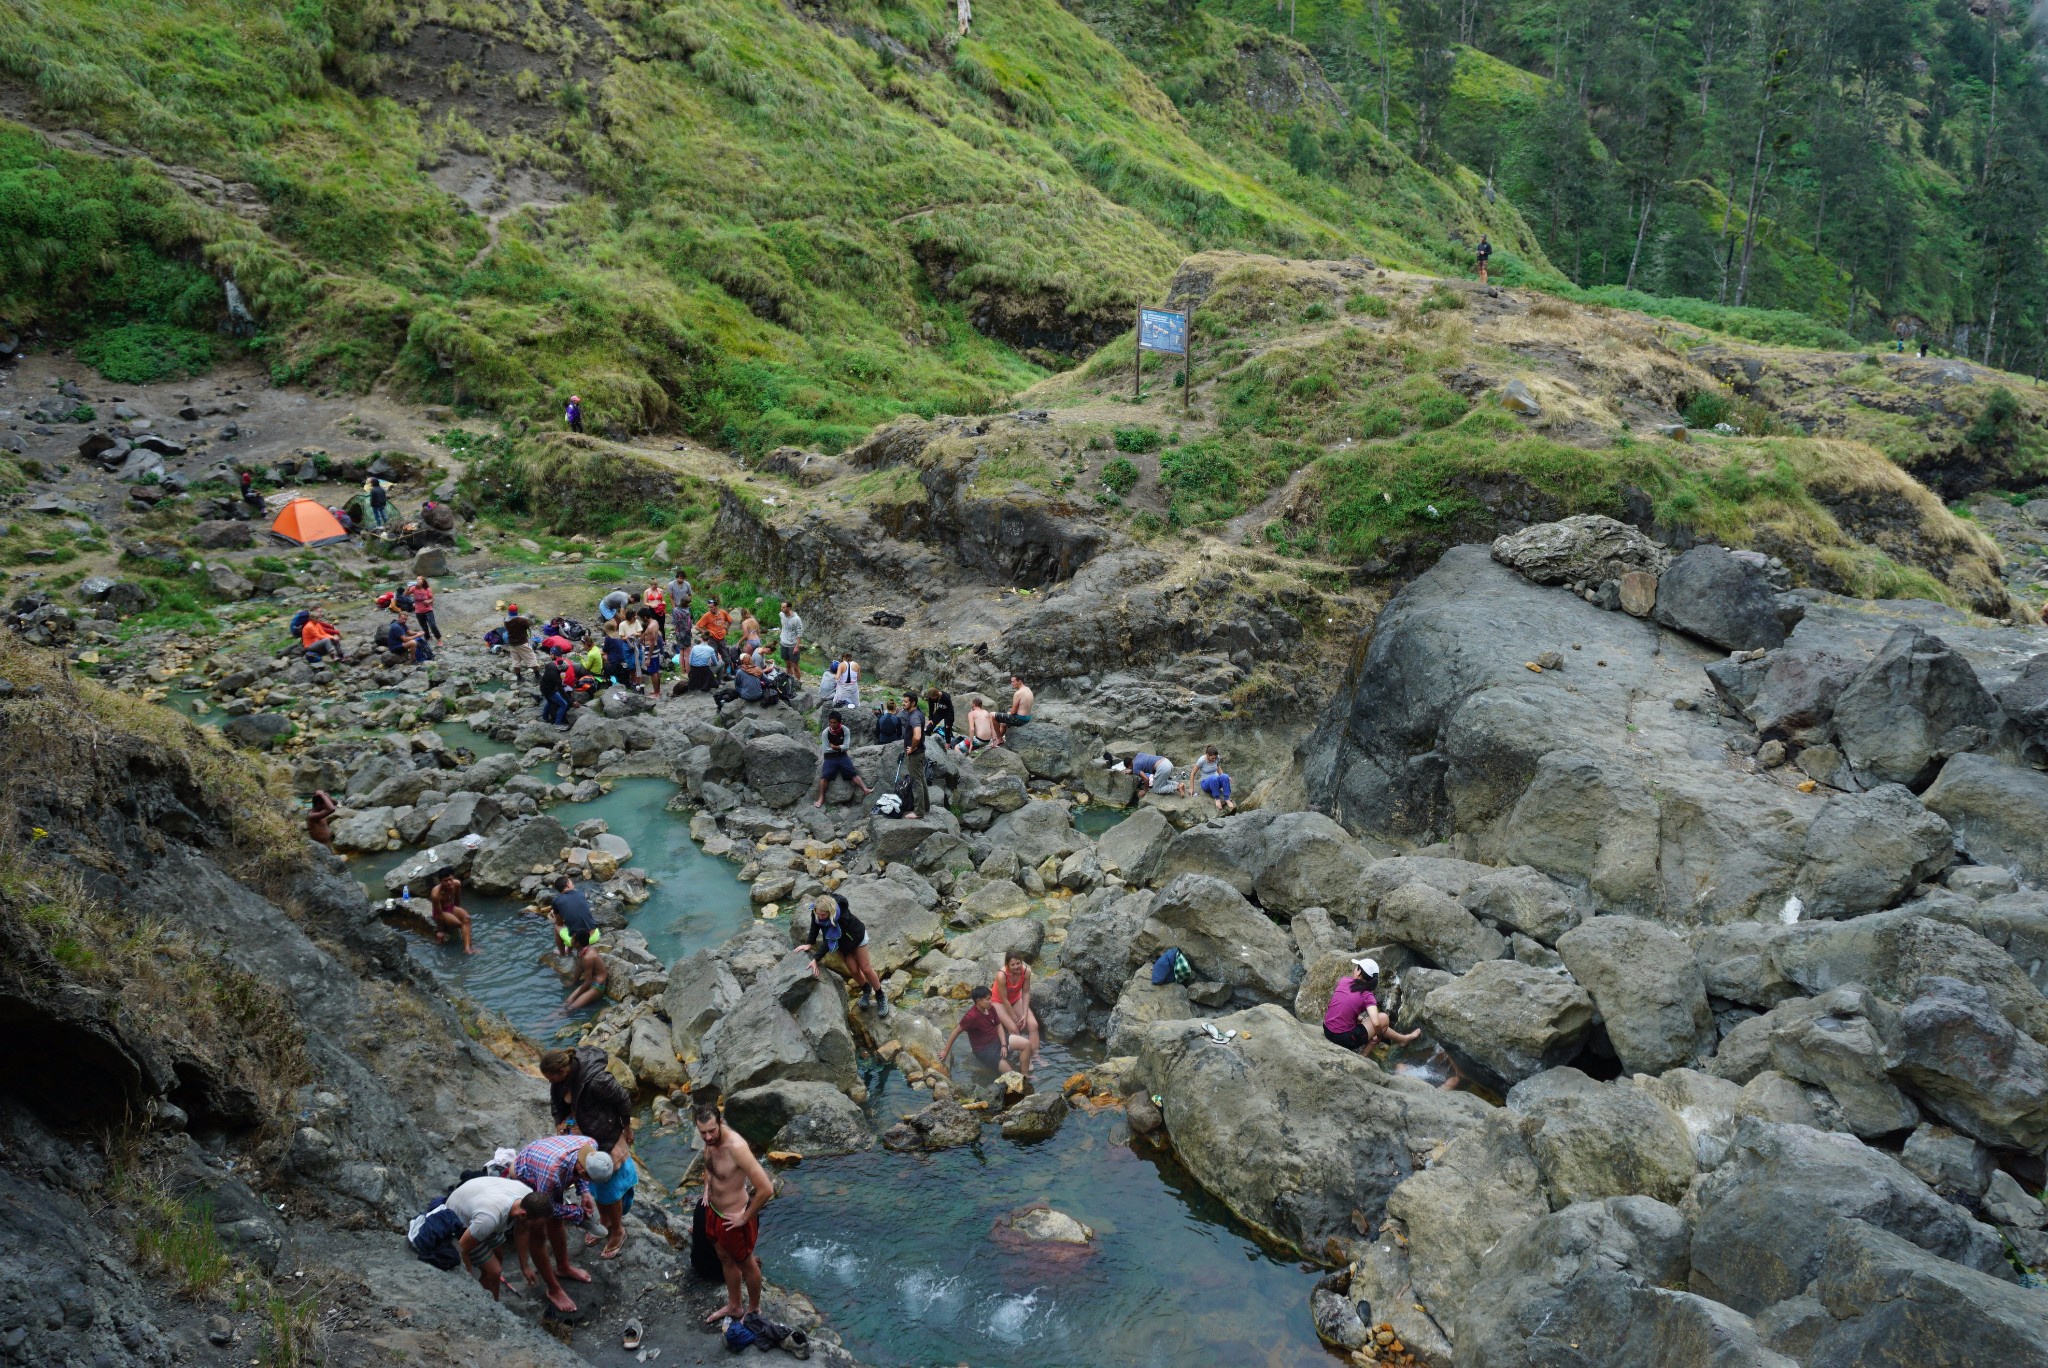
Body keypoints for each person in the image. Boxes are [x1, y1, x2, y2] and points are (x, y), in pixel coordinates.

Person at [695, 1098, 776, 1325]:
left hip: (735, 1217)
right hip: (714, 1211)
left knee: (746, 1264)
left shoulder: (736, 1147)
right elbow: (709, 1167)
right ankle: (734, 1305)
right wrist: (707, 1188)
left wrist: (745, 1217)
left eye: (712, 1131)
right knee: (724, 1258)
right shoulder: (709, 1141)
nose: (708, 1137)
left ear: (720, 1123)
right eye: (703, 1133)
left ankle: (753, 1309)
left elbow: (766, 1189)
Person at [512, 1134, 610, 1312]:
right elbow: (545, 1207)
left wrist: (585, 1192)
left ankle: (563, 1267)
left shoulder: (591, 1146)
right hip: (526, 1171)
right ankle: (553, 1289)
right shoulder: (552, 1175)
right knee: (538, 1231)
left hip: (548, 1163)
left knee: (557, 1223)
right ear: (582, 1169)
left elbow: (579, 1173)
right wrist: (575, 1213)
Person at [443, 1175, 549, 1303]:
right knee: (494, 1271)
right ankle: (486, 1304)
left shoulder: (528, 1198)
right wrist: (468, 1282)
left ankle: (494, 1298)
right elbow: (462, 1249)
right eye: (535, 1225)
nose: (536, 1229)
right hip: (459, 1221)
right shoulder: (489, 1219)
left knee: (498, 1257)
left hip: (479, 1204)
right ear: (522, 1215)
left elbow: (522, 1231)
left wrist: (524, 1266)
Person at [803, 893, 887, 1015]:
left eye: (823, 915)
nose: (820, 917)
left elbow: (828, 940)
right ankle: (866, 990)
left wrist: (816, 959)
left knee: (866, 969)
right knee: (853, 970)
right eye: (818, 914)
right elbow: (815, 926)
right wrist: (810, 943)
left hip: (856, 937)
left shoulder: (840, 915)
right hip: (841, 943)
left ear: (830, 911)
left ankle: (880, 996)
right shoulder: (817, 911)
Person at [1323, 958, 1416, 1055]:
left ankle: (1403, 1039)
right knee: (1383, 1018)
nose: (1354, 969)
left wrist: (1362, 1020)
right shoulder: (1367, 996)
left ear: (1359, 972)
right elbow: (1376, 1023)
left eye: (1356, 968)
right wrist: (1378, 1035)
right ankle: (1364, 1056)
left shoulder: (1344, 981)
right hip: (1343, 1039)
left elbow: (1340, 1007)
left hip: (1327, 1029)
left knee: (1376, 1023)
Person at [943, 986, 1028, 1075]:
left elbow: (998, 1026)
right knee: (1011, 1074)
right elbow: (956, 1032)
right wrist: (945, 1051)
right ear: (979, 1001)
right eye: (988, 999)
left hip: (997, 1040)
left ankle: (1025, 1074)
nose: (990, 1001)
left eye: (990, 998)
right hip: (984, 1050)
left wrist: (1003, 1045)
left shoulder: (991, 1008)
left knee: (1026, 1044)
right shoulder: (971, 1017)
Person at [990, 950, 1040, 1074]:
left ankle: (1036, 1056)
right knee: (1014, 1028)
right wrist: (1016, 1018)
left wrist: (1024, 1014)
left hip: (1016, 999)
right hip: (999, 1001)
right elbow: (1004, 999)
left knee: (1033, 1024)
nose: (1016, 966)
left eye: (1018, 963)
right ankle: (1026, 1058)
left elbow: (1026, 993)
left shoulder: (1026, 971)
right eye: (1013, 965)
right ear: (1007, 965)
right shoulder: (1002, 975)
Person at [814, 710, 873, 807]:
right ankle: (821, 798)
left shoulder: (845, 730)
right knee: (825, 776)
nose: (832, 725)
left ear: (839, 722)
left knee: (852, 773)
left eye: (834, 722)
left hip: (842, 756)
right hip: (829, 757)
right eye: (831, 722)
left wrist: (835, 747)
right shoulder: (825, 733)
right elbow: (826, 750)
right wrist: (840, 748)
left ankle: (865, 789)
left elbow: (846, 746)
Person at [898, 693, 928, 821]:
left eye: (905, 702)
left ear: (913, 703)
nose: (903, 703)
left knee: (916, 782)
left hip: (915, 754)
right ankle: (925, 806)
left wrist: (913, 748)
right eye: (903, 701)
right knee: (921, 778)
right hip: (920, 752)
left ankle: (919, 812)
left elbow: (917, 735)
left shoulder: (914, 717)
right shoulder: (918, 713)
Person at [548, 876, 598, 953]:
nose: (573, 884)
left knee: (557, 927)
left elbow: (559, 923)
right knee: (575, 920)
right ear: (568, 884)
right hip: (595, 935)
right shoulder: (581, 893)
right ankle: (568, 949)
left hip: (578, 942)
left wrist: (554, 915)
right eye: (571, 882)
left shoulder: (556, 901)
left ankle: (562, 954)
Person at [430, 868, 474, 954]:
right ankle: (467, 948)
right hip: (442, 912)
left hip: (451, 907)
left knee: (467, 918)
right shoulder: (436, 894)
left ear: (453, 877)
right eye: (445, 881)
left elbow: (457, 899)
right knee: (461, 924)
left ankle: (467, 948)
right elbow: (439, 914)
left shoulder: (457, 884)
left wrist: (458, 912)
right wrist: (440, 931)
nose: (449, 882)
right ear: (440, 881)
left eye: (450, 879)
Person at [994, 674, 1033, 746]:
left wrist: (1009, 713)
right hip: (1027, 717)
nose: (1011, 684)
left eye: (1013, 682)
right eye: (1011, 682)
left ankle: (999, 738)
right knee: (1003, 723)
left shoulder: (1018, 693)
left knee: (992, 715)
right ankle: (998, 739)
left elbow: (1013, 711)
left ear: (1020, 681)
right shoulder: (1028, 689)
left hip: (1020, 719)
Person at [696, 598, 733, 670]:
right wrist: (705, 632)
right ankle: (716, 675)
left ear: (716, 606)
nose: (710, 609)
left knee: (726, 656)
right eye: (709, 607)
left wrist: (726, 629)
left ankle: (726, 674)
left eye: (711, 607)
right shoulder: (707, 615)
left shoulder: (723, 612)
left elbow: (730, 620)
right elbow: (697, 626)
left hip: (722, 637)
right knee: (714, 657)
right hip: (712, 638)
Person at [504, 604, 535, 682]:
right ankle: (537, 675)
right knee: (531, 658)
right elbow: (527, 626)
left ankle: (519, 678)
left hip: (511, 643)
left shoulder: (505, 620)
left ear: (508, 612)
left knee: (515, 661)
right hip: (522, 643)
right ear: (517, 611)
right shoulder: (522, 620)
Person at [639, 610, 665, 699]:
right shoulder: (654, 622)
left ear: (645, 617)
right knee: (656, 671)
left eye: (641, 618)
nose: (641, 620)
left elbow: (652, 643)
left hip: (651, 650)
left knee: (653, 672)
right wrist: (638, 642)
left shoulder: (650, 627)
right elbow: (645, 633)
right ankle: (657, 691)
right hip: (655, 650)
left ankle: (656, 693)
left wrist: (648, 658)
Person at [540, 654, 572, 729]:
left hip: (542, 687)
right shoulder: (556, 677)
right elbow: (562, 691)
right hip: (549, 691)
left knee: (549, 702)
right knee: (564, 704)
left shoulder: (551, 664)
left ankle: (545, 717)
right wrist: (571, 702)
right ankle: (557, 723)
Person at [776, 601, 804, 675]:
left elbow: (799, 633)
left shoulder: (796, 619)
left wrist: (797, 647)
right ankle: (789, 681)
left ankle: (798, 683)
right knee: (788, 664)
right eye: (781, 607)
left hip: (792, 645)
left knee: (795, 666)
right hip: (783, 643)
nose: (781, 609)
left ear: (789, 608)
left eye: (783, 607)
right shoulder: (781, 614)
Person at [411, 577, 442, 642]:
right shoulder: (413, 588)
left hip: (428, 610)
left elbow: (432, 599)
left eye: (419, 579)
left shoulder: (427, 589)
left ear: (423, 581)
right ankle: (427, 638)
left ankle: (439, 639)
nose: (418, 581)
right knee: (424, 627)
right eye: (417, 579)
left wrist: (428, 601)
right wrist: (409, 587)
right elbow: (405, 594)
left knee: (432, 625)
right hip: (418, 611)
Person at [667, 569, 693, 637]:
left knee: (687, 620)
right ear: (677, 577)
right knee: (677, 621)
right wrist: (673, 607)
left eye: (683, 579)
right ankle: (677, 633)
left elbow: (690, 594)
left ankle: (688, 632)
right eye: (680, 578)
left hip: (686, 605)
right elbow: (671, 597)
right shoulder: (671, 584)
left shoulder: (687, 584)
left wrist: (689, 602)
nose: (681, 580)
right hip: (677, 605)